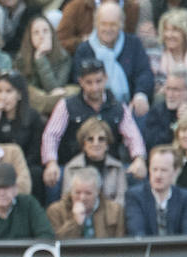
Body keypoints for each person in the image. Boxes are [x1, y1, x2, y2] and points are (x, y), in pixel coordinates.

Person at [41, 58, 147, 194]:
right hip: (74, 166)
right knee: (54, 176)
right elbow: (51, 135)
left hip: (109, 166)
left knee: (136, 174)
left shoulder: (118, 107)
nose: (95, 87)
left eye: (98, 81)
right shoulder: (66, 105)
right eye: (89, 82)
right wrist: (51, 163)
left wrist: (138, 158)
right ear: (80, 82)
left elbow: (133, 136)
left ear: (106, 79)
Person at [68, 1, 152, 120]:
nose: (108, 29)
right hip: (93, 107)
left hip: (129, 105)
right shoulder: (85, 49)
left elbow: (144, 73)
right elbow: (78, 79)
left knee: (142, 111)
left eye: (113, 24)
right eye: (104, 24)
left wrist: (140, 94)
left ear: (121, 24)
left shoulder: (133, 44)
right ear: (96, 24)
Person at [0, 72, 45, 198]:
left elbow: (35, 153)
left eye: (9, 91)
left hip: (23, 167)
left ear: (19, 94)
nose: (3, 97)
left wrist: (18, 168)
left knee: (36, 173)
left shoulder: (32, 117)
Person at [0, 161, 55, 239]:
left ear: (15, 189)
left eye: (6, 187)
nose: (2, 193)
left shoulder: (29, 205)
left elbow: (46, 236)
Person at [124, 145, 187, 236]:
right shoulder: (134, 196)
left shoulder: (185, 197)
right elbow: (137, 234)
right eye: (154, 169)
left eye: (164, 170)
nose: (158, 175)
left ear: (175, 171)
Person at [61, 116, 128, 208]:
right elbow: (67, 201)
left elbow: (121, 200)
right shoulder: (71, 167)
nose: (96, 143)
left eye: (101, 139)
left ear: (107, 144)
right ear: (83, 144)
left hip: (110, 218)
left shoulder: (117, 167)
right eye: (90, 139)